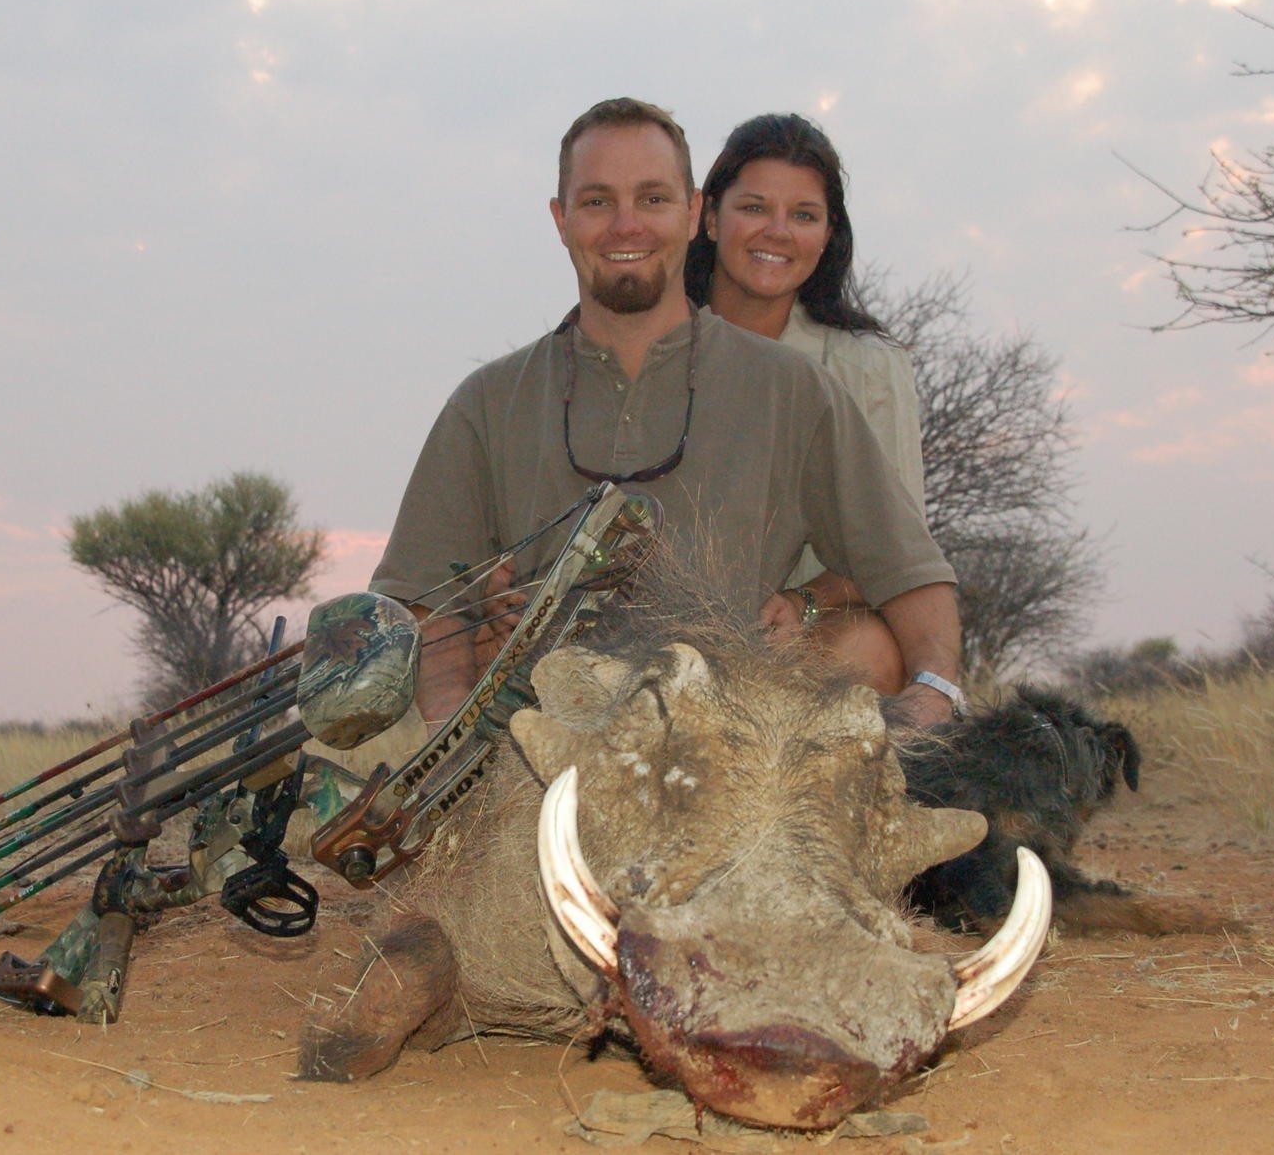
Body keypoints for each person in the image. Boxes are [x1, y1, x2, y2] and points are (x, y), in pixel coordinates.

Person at [368, 97, 963, 726]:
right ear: (560, 219)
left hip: (734, 757)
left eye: (653, 199)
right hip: (536, 755)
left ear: (692, 212)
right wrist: (450, 733)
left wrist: (935, 691)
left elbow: (908, 569)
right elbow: (422, 602)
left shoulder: (793, 389)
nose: (627, 226)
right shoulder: (487, 402)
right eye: (597, 202)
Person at [684, 112, 926, 694]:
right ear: (709, 217)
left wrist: (804, 604)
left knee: (864, 648)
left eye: (804, 215)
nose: (778, 232)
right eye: (754, 208)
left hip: (794, 644)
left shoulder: (868, 365)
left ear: (827, 235)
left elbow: (900, 552)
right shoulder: (652, 351)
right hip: (663, 633)